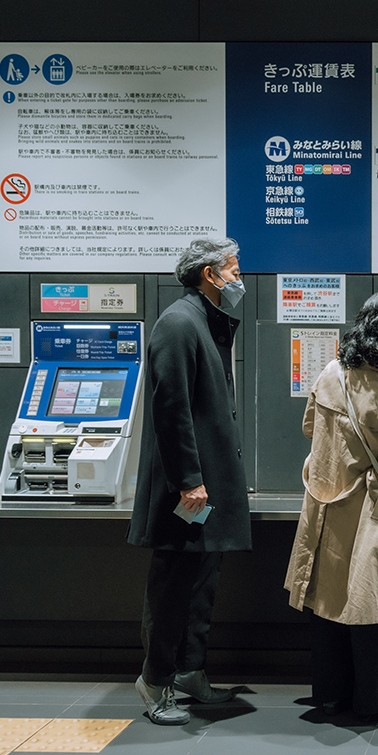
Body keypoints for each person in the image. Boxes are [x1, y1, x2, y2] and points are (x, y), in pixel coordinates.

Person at [129, 237, 252, 726]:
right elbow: (170, 409)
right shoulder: (179, 323)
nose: (239, 277)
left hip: (206, 486)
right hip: (189, 489)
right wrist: (189, 481)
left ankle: (190, 670)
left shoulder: (204, 322)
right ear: (210, 274)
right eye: (234, 268)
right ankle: (155, 679)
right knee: (174, 585)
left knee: (203, 580)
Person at [284, 290, 378, 720]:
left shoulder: (330, 372)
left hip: (323, 505)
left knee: (325, 603)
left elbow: (308, 428)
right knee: (371, 605)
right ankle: (376, 699)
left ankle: (329, 695)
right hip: (368, 508)